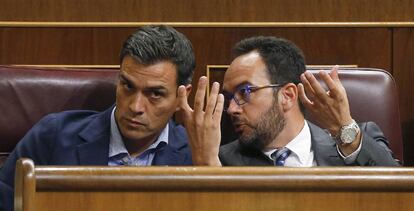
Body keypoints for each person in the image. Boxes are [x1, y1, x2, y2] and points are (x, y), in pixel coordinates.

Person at [0, 25, 195, 211]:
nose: (135, 107)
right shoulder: (53, 136)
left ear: (181, 97)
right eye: (128, 86)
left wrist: (208, 163)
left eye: (155, 94)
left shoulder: (195, 157)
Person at [178, 36, 399, 167]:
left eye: (245, 92)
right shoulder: (219, 161)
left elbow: (401, 196)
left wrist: (346, 132)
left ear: (288, 95)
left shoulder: (354, 143)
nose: (232, 109)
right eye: (228, 98)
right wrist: (208, 169)